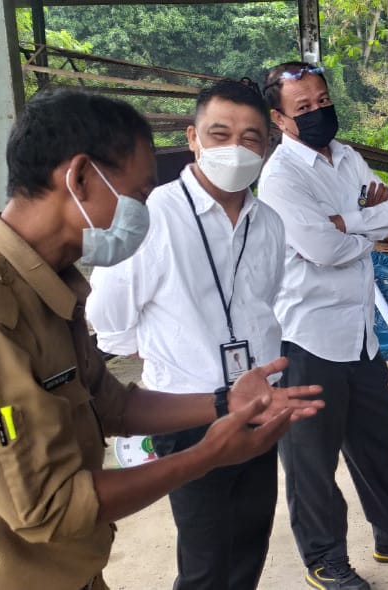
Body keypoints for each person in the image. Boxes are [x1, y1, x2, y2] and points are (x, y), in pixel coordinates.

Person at [0, 89, 324, 590]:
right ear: (79, 178)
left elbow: (109, 405)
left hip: (69, 570)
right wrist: (206, 455)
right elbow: (50, 507)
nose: (142, 213)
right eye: (137, 195)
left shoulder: (45, 287)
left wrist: (224, 402)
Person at [256, 61, 388, 590]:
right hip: (307, 338)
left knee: (377, 444)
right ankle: (324, 559)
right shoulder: (281, 177)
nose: (318, 112)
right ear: (279, 118)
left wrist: (346, 223)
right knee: (312, 461)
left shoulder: (347, 158)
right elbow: (320, 248)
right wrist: (366, 227)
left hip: (360, 334)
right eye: (304, 107)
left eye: (322, 101)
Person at [85, 79, 285, 589]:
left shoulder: (268, 222)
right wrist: (169, 347)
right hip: (188, 412)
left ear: (266, 147)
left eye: (251, 138)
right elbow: (108, 321)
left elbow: (266, 301)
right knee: (205, 561)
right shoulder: (151, 217)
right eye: (220, 134)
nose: (235, 148)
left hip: (260, 405)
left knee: (250, 546)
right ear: (193, 138)